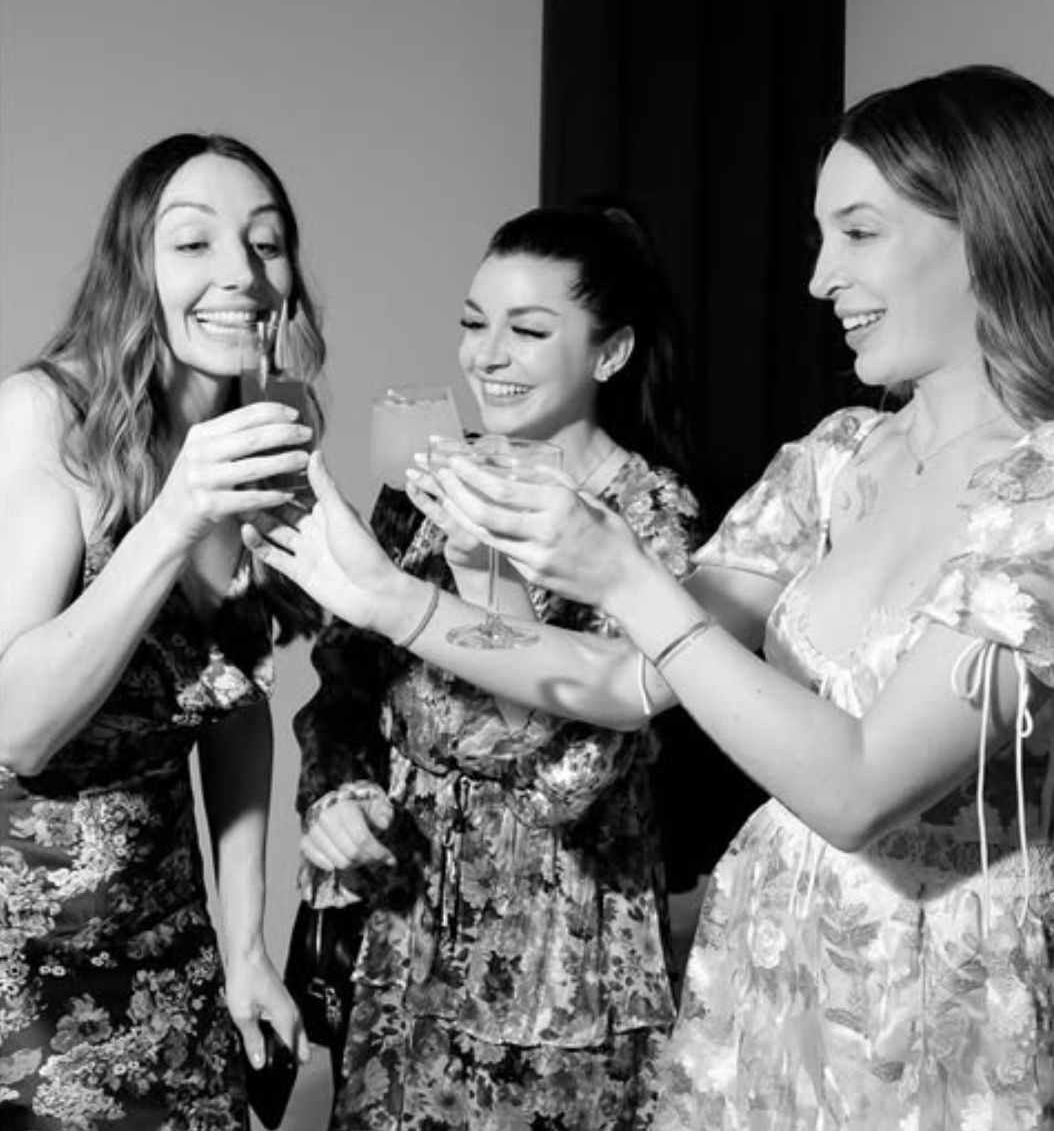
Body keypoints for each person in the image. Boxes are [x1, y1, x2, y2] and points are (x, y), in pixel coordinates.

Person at [244, 65, 1054, 1129]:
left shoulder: (1038, 493)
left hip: (935, 994)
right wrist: (391, 597)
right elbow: (626, 679)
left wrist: (622, 571)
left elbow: (857, 791)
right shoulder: (832, 461)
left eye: (858, 233)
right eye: (819, 237)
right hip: (771, 971)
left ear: (988, 231)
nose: (819, 279)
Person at [287, 204, 705, 1130]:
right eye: (475, 324)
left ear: (610, 352)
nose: (486, 356)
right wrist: (339, 796)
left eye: (528, 330)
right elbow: (343, 688)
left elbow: (568, 776)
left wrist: (483, 577)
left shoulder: (644, 520)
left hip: (556, 962)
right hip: (403, 934)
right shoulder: (427, 481)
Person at [0, 132, 320, 1129]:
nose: (240, 272)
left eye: (265, 244)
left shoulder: (263, 426)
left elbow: (233, 702)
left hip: (172, 964)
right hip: (21, 973)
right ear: (132, 264)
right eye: (194, 244)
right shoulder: (45, 417)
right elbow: (18, 724)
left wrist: (247, 947)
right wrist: (176, 516)